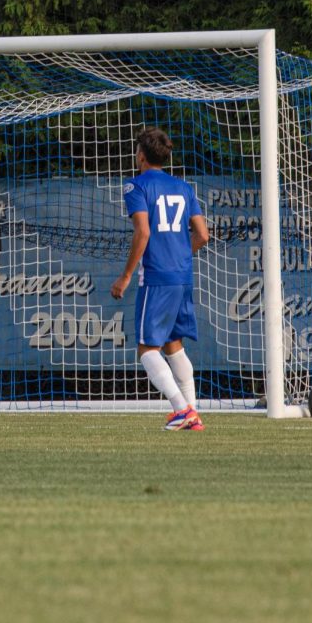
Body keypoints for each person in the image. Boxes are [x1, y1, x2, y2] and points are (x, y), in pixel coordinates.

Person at [110, 128, 210, 431]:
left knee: (146, 348)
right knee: (172, 343)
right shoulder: (183, 187)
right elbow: (203, 235)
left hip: (157, 276)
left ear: (141, 155)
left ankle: (182, 411)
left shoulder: (135, 187)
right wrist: (180, 252)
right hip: (182, 274)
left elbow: (143, 232)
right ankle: (192, 413)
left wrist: (126, 276)